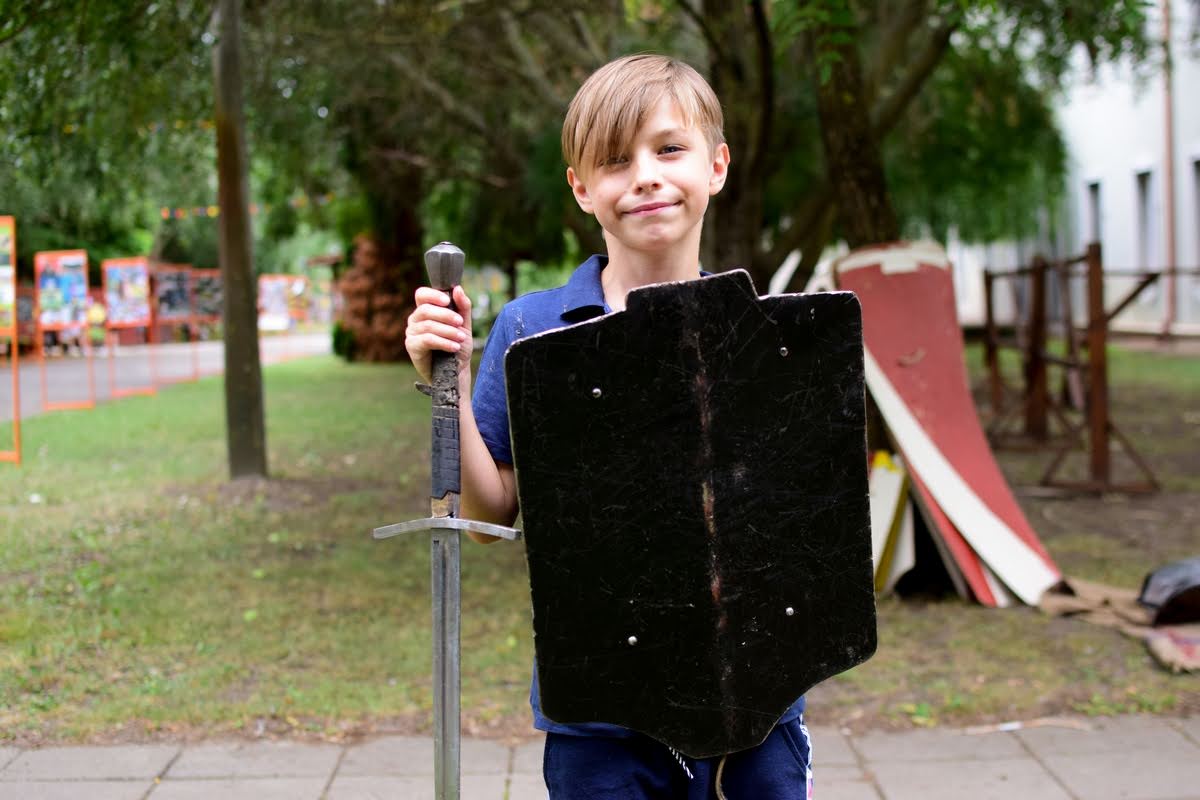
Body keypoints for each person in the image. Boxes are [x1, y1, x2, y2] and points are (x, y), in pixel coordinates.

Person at [405, 54, 814, 799]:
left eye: (669, 149)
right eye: (616, 161)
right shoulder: (534, 330)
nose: (646, 177)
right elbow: (490, 513)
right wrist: (450, 387)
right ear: (581, 187)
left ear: (716, 166)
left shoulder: (764, 332)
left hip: (753, 703)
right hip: (599, 713)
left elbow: (802, 517)